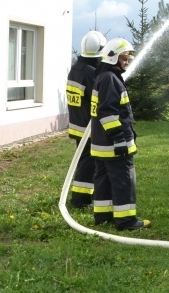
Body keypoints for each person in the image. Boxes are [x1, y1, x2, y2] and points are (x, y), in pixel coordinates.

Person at [90, 37, 150, 230]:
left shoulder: (104, 78)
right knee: (123, 180)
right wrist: (119, 139)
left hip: (101, 144)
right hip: (114, 145)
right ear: (113, 58)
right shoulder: (109, 80)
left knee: (104, 180)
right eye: (124, 58)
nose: (127, 62)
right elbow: (108, 113)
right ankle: (126, 220)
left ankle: (103, 216)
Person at [65, 30, 106, 209]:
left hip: (77, 124)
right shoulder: (90, 72)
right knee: (88, 164)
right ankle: (80, 201)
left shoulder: (75, 69)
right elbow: (97, 98)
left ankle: (85, 197)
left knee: (85, 162)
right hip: (88, 127)